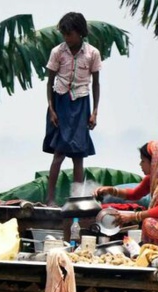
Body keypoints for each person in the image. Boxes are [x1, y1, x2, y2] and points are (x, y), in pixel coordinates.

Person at [43, 12, 101, 206]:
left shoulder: (92, 53)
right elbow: (50, 82)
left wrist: (94, 113)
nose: (67, 38)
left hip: (81, 103)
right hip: (60, 102)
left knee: (78, 155)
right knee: (58, 153)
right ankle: (50, 199)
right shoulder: (57, 52)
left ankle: (76, 200)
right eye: (64, 34)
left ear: (80, 33)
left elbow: (96, 84)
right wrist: (51, 110)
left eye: (70, 34)